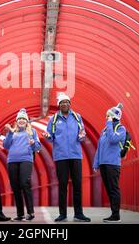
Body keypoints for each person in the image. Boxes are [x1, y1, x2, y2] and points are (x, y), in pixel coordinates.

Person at [42, 93, 91, 222]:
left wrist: (82, 136)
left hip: (75, 155)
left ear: (70, 104)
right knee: (62, 185)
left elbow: (82, 133)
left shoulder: (77, 117)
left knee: (77, 185)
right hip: (60, 156)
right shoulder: (53, 119)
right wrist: (46, 136)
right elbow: (50, 136)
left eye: (66, 102)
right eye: (62, 102)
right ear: (59, 105)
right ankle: (62, 214)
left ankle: (78, 213)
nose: (64, 104)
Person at [3, 108, 41, 221]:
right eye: (19, 118)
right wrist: (9, 133)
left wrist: (33, 143)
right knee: (15, 187)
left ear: (27, 121)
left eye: (23, 119)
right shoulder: (12, 132)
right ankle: (20, 214)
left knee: (24, 183)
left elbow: (38, 147)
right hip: (12, 161)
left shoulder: (32, 132)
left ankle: (30, 212)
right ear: (16, 120)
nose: (21, 120)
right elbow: (6, 145)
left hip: (26, 159)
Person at [93, 103, 126, 223]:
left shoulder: (120, 129)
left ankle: (116, 215)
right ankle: (113, 213)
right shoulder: (105, 130)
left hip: (113, 164)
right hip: (103, 164)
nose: (106, 117)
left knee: (113, 189)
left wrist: (109, 123)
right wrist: (96, 163)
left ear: (113, 117)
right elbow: (100, 147)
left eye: (108, 115)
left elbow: (113, 139)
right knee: (108, 189)